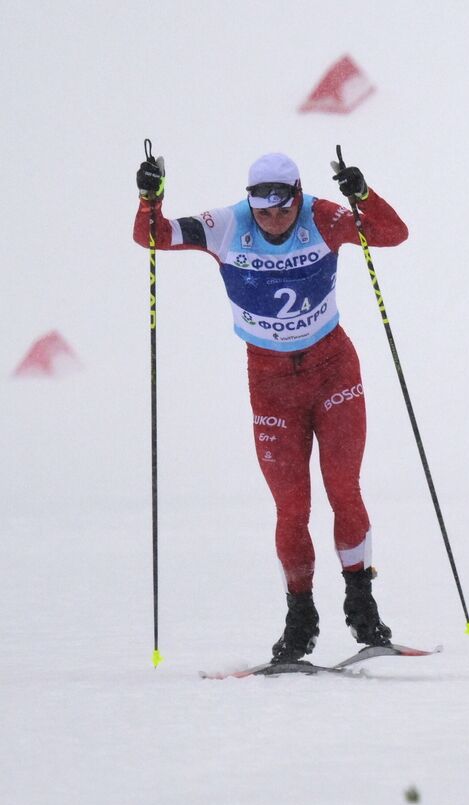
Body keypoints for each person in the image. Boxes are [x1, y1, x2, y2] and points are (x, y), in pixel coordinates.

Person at [132, 150, 409, 663]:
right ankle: (300, 620)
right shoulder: (226, 225)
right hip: (271, 383)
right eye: (261, 206)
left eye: (282, 205)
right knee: (291, 507)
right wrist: (152, 196)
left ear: (298, 194)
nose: (273, 216)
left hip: (333, 372)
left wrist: (363, 195)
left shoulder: (323, 216)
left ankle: (362, 606)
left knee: (344, 488)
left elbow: (392, 233)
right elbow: (153, 235)